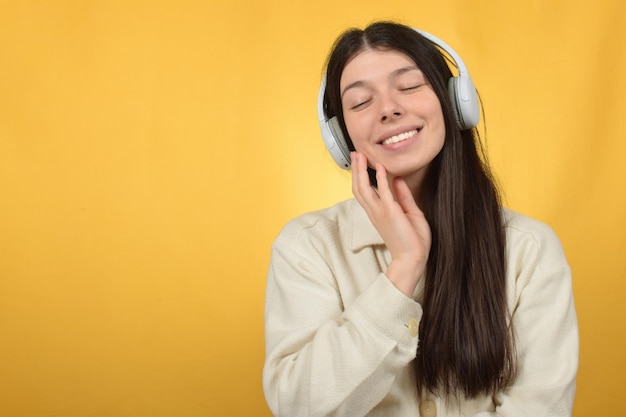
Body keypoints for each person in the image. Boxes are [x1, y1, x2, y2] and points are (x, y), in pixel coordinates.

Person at [262, 21, 578, 417]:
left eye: (409, 86)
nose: (389, 109)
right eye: (361, 103)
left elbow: (540, 408)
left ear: (454, 103)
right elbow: (299, 407)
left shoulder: (529, 249)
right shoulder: (307, 246)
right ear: (341, 139)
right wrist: (403, 269)